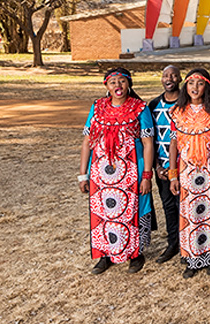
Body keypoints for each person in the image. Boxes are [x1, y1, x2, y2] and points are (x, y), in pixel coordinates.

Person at [78, 67, 155, 274]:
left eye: (122, 81)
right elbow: (87, 142)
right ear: (106, 86)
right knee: (103, 213)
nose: (117, 86)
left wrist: (147, 175)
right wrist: (82, 174)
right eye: (113, 82)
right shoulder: (97, 107)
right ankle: (105, 254)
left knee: (131, 212)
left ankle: (135, 254)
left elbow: (148, 144)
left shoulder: (140, 108)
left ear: (129, 83)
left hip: (131, 172)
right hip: (100, 175)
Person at [167, 68, 210, 278]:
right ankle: (192, 258)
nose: (195, 88)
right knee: (189, 213)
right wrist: (172, 174)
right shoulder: (177, 112)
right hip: (186, 170)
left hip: (209, 169)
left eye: (199, 84)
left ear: (207, 86)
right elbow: (173, 144)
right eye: (191, 83)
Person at [147, 65, 181, 264]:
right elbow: (150, 140)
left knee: (183, 205)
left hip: (183, 167)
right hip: (162, 167)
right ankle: (172, 243)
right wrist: (157, 166)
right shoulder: (153, 105)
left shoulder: (186, 103)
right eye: (165, 76)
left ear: (180, 78)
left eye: (173, 75)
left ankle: (186, 243)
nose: (169, 79)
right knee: (168, 205)